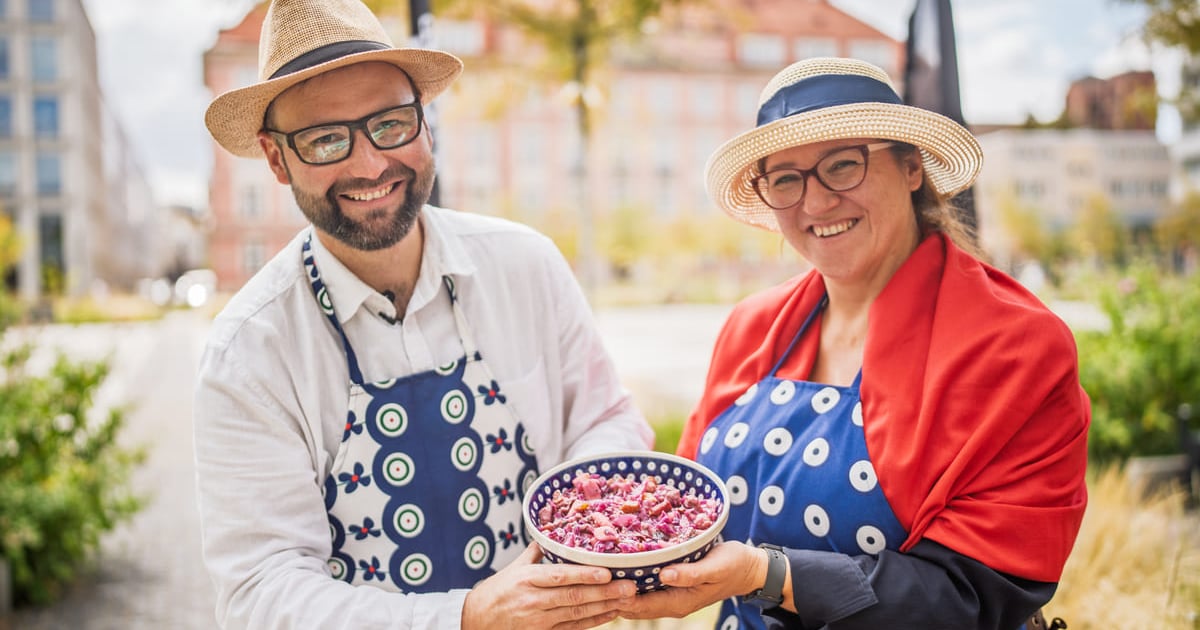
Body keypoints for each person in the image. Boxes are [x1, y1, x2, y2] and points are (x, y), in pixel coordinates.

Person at [194, 0, 652, 628]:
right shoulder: (249, 353)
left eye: (390, 123)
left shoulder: (526, 266)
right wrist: (469, 616)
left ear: (425, 122)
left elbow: (604, 418)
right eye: (325, 139)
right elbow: (261, 593)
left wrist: (583, 524)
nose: (369, 164)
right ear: (277, 159)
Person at [616, 57, 1090, 630]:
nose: (816, 204)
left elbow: (975, 594)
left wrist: (766, 574)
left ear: (911, 167)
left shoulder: (1014, 347)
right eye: (786, 179)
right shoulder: (751, 326)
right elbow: (688, 505)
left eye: (843, 165)